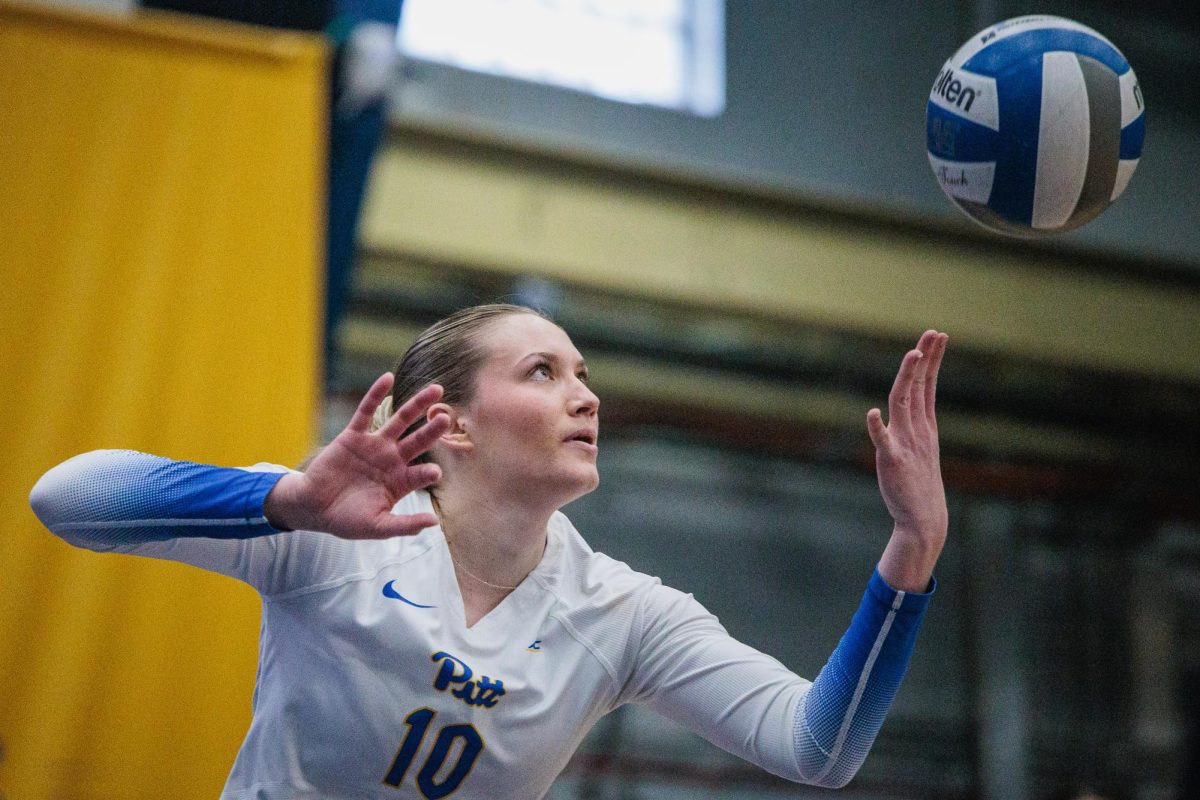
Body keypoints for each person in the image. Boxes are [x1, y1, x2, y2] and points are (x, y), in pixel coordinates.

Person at [29, 304, 950, 799]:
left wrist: (913, 545)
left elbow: (819, 748)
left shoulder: (623, 615)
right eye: (544, 373)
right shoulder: (331, 533)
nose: (586, 397)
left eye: (584, 375)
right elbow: (64, 498)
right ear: (449, 423)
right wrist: (282, 500)